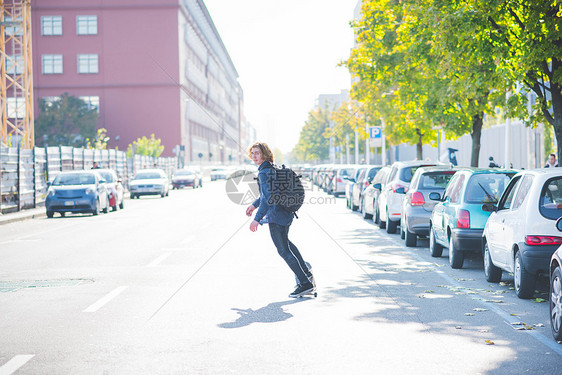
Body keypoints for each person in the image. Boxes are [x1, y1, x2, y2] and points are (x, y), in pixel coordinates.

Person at [245, 142, 315, 298]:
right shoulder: (271, 168)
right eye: (253, 153)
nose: (254, 156)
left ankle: (305, 284)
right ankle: (305, 271)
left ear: (264, 154)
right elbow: (268, 195)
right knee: (287, 244)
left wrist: (256, 219)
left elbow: (268, 199)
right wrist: (253, 205)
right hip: (285, 213)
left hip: (277, 216)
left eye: (257, 153)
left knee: (283, 251)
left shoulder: (264, 172)